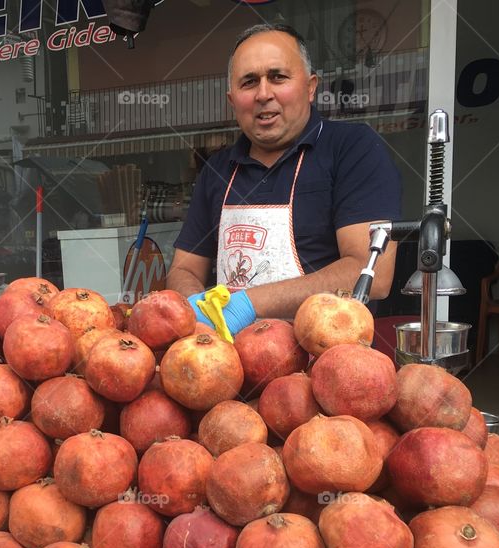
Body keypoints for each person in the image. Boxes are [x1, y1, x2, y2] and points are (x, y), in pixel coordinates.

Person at [166, 23, 402, 334]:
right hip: (228, 352)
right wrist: (195, 308)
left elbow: (373, 272)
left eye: (278, 77)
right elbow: (183, 268)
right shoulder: (217, 170)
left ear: (311, 86)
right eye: (249, 82)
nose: (264, 94)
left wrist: (248, 305)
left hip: (325, 352)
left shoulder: (353, 149)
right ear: (232, 100)